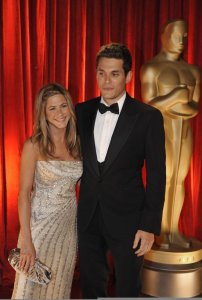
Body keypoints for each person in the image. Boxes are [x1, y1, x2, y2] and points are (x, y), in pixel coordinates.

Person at [75, 43, 166, 298]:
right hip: (89, 216)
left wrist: (149, 226)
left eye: (114, 74)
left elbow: (158, 176)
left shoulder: (148, 117)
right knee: (91, 286)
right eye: (101, 73)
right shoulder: (81, 111)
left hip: (130, 220)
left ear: (127, 76)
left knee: (128, 288)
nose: (106, 80)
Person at [11, 83, 82, 299]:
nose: (60, 113)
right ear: (43, 113)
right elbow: (23, 196)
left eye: (63, 106)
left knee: (58, 288)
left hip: (67, 232)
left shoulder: (77, 144)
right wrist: (26, 242)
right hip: (39, 230)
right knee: (28, 291)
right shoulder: (33, 145)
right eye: (52, 108)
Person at [140, 20, 200, 249]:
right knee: (162, 180)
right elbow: (150, 103)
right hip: (162, 131)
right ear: (164, 36)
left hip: (184, 131)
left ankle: (173, 230)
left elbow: (194, 106)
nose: (181, 40)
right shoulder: (152, 68)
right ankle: (160, 232)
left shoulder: (193, 70)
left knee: (179, 180)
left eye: (184, 35)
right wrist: (176, 96)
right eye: (176, 35)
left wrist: (178, 105)